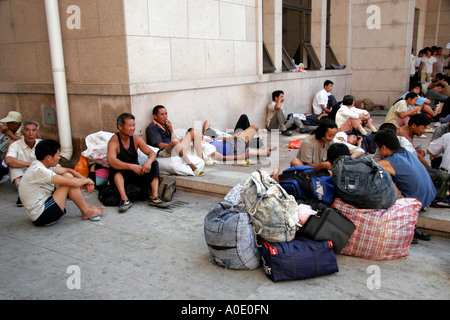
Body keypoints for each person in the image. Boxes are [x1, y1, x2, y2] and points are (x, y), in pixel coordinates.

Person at [18, 139, 105, 226]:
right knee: (68, 182)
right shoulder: (39, 170)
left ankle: (86, 208)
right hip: (42, 216)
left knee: (67, 176)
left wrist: (86, 181)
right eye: (58, 155)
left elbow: (68, 170)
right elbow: (72, 182)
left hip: (44, 207)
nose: (59, 158)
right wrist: (87, 180)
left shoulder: (41, 165)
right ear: (48, 157)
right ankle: (86, 211)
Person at [374, 130, 435, 244]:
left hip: (417, 201)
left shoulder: (389, 162)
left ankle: (407, 228)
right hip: (428, 197)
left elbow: (370, 166)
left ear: (383, 147)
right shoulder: (406, 152)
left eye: (378, 148)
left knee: (383, 184)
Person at [108, 113, 167, 212]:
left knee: (154, 164)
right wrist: (131, 166)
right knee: (116, 168)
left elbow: (152, 153)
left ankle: (155, 197)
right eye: (129, 126)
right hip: (122, 176)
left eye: (134, 125)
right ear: (120, 127)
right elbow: (111, 160)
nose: (133, 128)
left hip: (135, 173)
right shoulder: (114, 141)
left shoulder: (135, 139)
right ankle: (124, 199)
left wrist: (148, 162)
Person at [146, 105, 205, 177]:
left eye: (166, 113)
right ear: (155, 116)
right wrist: (175, 145)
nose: (165, 116)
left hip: (176, 148)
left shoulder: (165, 125)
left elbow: (175, 139)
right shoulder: (152, 127)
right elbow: (160, 145)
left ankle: (201, 158)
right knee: (175, 142)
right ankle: (192, 167)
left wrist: (171, 129)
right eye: (162, 114)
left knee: (194, 131)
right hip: (163, 152)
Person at [4, 121, 41, 207]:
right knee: (13, 167)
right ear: (22, 132)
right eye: (27, 130)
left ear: (37, 133)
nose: (30, 133)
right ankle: (22, 194)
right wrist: (28, 164)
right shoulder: (15, 145)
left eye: (33, 130)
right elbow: (8, 160)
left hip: (38, 173)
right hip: (23, 174)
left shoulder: (42, 144)